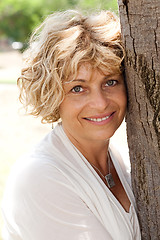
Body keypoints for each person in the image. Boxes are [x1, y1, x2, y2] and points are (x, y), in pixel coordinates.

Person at [2, 10, 141, 240]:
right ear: (53, 96)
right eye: (78, 88)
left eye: (110, 82)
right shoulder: (39, 179)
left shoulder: (117, 160)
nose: (100, 103)